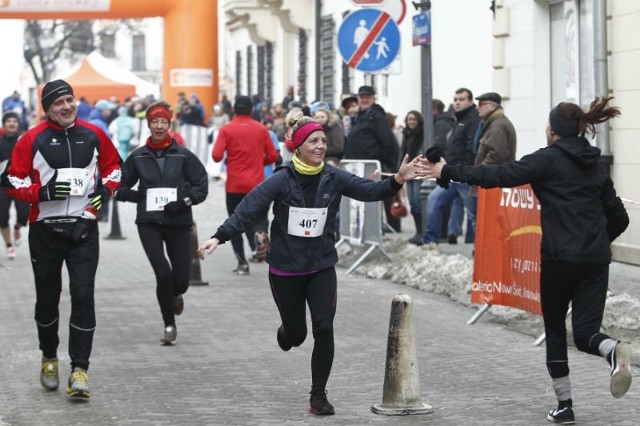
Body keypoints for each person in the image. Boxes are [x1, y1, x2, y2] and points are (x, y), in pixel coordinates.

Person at [419, 96, 631, 424]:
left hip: (559, 259)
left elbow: (498, 175)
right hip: (595, 261)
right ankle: (611, 350)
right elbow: (619, 218)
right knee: (587, 331)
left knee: (556, 330)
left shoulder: (548, 160)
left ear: (553, 131)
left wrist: (447, 170)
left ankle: (565, 407)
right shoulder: (597, 165)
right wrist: (598, 243)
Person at [197, 108, 422, 416]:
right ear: (299, 146)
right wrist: (219, 237)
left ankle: (318, 395)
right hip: (285, 269)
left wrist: (397, 179)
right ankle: (286, 333)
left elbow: (371, 191)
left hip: (320, 266)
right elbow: (248, 209)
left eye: (323, 141)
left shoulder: (334, 177)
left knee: (324, 328)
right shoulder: (281, 180)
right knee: (296, 335)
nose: (320, 146)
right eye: (313, 141)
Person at [0, 79, 121, 399]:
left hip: (83, 230)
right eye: (58, 103)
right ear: (47, 109)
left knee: (83, 296)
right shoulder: (31, 139)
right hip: (46, 232)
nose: (66, 106)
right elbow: (10, 180)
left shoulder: (94, 134)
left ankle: (80, 369)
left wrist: (103, 194)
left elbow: (114, 169)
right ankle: (49, 358)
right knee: (48, 298)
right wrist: (41, 193)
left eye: (69, 100)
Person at [116, 100, 208, 345]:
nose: (159, 126)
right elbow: (119, 187)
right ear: (148, 125)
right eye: (155, 121)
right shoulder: (138, 156)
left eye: (163, 122)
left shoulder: (184, 155)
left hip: (178, 222)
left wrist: (183, 202)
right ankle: (169, 324)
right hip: (149, 223)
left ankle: (176, 295)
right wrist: (137, 196)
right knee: (163, 274)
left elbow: (201, 187)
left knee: (180, 281)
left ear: (170, 124)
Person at [212, 95, 279, 273]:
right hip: (257, 183)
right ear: (251, 110)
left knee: (234, 223)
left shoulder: (226, 130)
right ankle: (260, 234)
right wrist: (258, 162)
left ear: (233, 110)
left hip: (234, 184)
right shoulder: (261, 129)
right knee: (259, 218)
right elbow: (273, 156)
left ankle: (242, 263)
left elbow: (216, 156)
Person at [420, 87, 480, 246]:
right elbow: (453, 147)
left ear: (470, 101)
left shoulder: (473, 120)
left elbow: (471, 149)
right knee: (434, 200)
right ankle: (430, 242)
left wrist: (464, 170)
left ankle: (481, 249)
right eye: (455, 100)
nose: (457, 103)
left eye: (461, 99)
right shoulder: (458, 119)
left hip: (464, 175)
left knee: (474, 214)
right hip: (451, 173)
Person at [342, 85, 401, 232]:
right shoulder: (360, 116)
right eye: (362, 97)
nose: (364, 99)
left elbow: (386, 141)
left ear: (373, 98)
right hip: (359, 165)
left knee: (381, 194)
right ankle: (368, 226)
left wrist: (384, 162)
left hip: (373, 165)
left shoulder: (376, 116)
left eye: (367, 97)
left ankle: (390, 225)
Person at [0, 111, 29, 259]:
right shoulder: (0, 142)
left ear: (18, 124)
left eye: (15, 121)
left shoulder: (22, 141)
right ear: (4, 124)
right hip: (2, 186)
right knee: (2, 217)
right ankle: (9, 246)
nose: (12, 123)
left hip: (20, 184)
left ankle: (17, 228)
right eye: (9, 121)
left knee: (24, 215)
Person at [400, 110, 424, 244]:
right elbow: (402, 152)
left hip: (418, 172)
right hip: (408, 172)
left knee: (418, 203)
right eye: (409, 119)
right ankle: (418, 232)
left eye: (414, 119)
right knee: (413, 204)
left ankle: (422, 232)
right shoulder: (406, 133)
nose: (412, 122)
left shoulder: (422, 133)